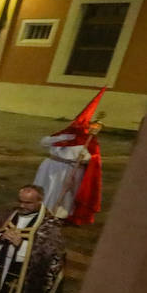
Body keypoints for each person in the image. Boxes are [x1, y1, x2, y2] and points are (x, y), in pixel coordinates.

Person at [32, 88, 104, 225]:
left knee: (63, 193)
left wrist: (86, 157)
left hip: (69, 169)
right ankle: (39, 210)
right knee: (45, 189)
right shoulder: (63, 135)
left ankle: (58, 214)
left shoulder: (89, 142)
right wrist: (63, 138)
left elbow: (94, 160)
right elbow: (44, 142)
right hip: (51, 166)